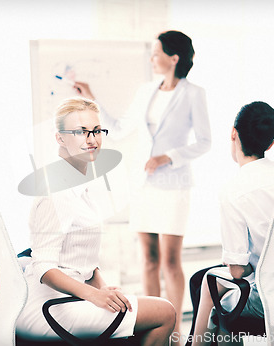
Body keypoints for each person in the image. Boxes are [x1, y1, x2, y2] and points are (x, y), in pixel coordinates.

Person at [74, 31, 211, 341]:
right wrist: (91, 97)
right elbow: (121, 127)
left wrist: (168, 157)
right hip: (144, 185)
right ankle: (155, 324)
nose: (151, 58)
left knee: (170, 261)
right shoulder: (146, 91)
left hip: (174, 185)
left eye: (156, 52)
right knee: (148, 258)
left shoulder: (193, 93)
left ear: (174, 58)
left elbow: (205, 142)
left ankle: (174, 331)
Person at [15, 97, 176, 345]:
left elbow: (83, 261)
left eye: (97, 130)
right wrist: (94, 295)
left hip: (70, 298)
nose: (92, 139)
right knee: (164, 312)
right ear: (60, 138)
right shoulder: (55, 191)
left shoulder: (82, 185)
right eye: (80, 132)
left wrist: (104, 288)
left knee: (144, 308)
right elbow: (44, 268)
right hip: (48, 307)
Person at [188, 102, 274, 346]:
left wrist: (248, 262)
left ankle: (195, 343)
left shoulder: (234, 190)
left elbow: (237, 271)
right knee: (207, 282)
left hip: (271, 302)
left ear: (233, 133)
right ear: (270, 143)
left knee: (207, 284)